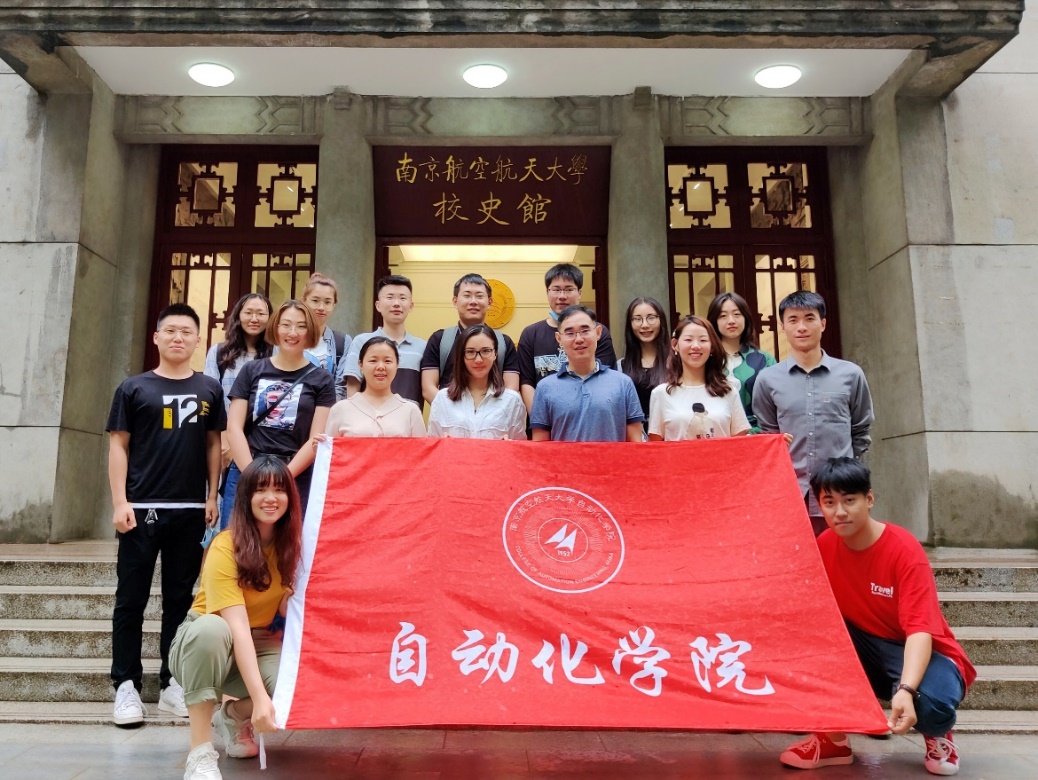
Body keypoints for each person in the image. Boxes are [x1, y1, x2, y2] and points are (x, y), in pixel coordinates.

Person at [779, 458, 973, 776]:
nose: (839, 512)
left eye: (849, 500)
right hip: (863, 647)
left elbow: (920, 631)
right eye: (829, 502)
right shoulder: (824, 545)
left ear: (869, 499)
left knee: (931, 702)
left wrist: (906, 689)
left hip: (919, 651)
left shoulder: (904, 550)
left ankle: (938, 735)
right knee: (806, 636)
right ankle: (832, 741)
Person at [106, 303, 225, 727]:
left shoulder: (210, 388)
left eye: (186, 332)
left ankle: (173, 682)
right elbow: (118, 445)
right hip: (141, 510)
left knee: (179, 600)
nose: (178, 337)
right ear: (156, 337)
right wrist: (120, 501)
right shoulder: (133, 388)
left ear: (198, 340)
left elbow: (214, 444)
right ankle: (126, 686)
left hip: (190, 510)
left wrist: (212, 496)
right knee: (131, 599)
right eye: (170, 330)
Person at [170, 456, 302, 780]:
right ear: (245, 497)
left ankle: (232, 717)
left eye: (279, 490)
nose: (271, 498)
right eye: (261, 490)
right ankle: (200, 752)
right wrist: (259, 698)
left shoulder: (292, 545)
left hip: (258, 639)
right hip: (203, 641)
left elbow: (282, 608)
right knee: (213, 629)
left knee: (300, 681)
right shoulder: (225, 546)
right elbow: (237, 627)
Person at [752, 291, 874, 536]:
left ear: (823, 323)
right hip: (790, 493)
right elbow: (769, 435)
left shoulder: (850, 374)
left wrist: (843, 469)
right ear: (782, 326)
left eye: (809, 318)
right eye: (793, 320)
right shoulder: (767, 379)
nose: (801, 327)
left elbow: (861, 429)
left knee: (841, 555)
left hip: (839, 494)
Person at [226, 300, 335, 514]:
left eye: (301, 326)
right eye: (286, 325)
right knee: (237, 533)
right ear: (275, 328)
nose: (292, 333)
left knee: (289, 535)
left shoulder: (322, 379)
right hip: (247, 467)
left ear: (311, 331)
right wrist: (253, 476)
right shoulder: (251, 370)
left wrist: (283, 478)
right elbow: (234, 428)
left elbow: (316, 439)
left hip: (295, 473)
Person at [204, 293, 274, 528]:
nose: (254, 318)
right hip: (225, 440)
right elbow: (211, 398)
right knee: (225, 507)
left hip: (261, 441)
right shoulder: (219, 352)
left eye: (261, 313)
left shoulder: (276, 354)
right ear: (238, 315)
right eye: (249, 312)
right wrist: (224, 437)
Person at [530, 305, 643, 442]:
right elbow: (540, 446)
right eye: (570, 333)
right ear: (559, 338)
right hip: (563, 458)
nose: (579, 339)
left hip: (611, 457)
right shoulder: (545, 387)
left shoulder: (623, 384)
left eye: (585, 331)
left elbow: (635, 444)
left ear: (598, 332)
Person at [518, 263, 617, 413]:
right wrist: (540, 419)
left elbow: (604, 378)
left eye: (569, 289)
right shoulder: (531, 334)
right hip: (545, 418)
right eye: (556, 290)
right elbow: (527, 382)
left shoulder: (596, 332)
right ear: (547, 292)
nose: (562, 296)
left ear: (580, 293)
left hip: (589, 416)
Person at [420, 273, 520, 405]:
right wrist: (453, 412)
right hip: (449, 415)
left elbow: (511, 389)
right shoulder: (439, 340)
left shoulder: (504, 343)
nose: (473, 301)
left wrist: (489, 413)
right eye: (467, 295)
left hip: (493, 416)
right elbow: (428, 388)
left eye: (479, 296)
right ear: (455, 301)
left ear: (489, 302)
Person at [648, 315, 750, 441]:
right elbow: (655, 446)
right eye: (688, 340)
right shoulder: (661, 394)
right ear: (675, 345)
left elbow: (740, 443)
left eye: (703, 340)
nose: (696, 346)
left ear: (712, 346)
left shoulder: (728, 391)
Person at [337, 274, 426, 409]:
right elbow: (353, 386)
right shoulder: (361, 342)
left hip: (408, 420)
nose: (396, 303)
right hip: (368, 418)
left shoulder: (423, 347)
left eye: (402, 298)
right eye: (390, 297)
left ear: (411, 305)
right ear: (378, 305)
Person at [428, 324, 527, 440]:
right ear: (462, 356)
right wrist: (442, 445)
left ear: (495, 354)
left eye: (486, 351)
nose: (478, 360)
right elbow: (432, 444)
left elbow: (519, 446)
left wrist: (509, 446)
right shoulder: (442, 399)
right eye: (470, 352)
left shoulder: (512, 400)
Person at [325, 336, 426, 438]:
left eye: (387, 361)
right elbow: (330, 447)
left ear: (397, 365)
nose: (381, 367)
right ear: (360, 364)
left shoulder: (411, 411)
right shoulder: (340, 410)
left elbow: (421, 448)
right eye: (373, 361)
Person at [706, 291, 775, 433]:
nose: (731, 320)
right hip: (713, 433)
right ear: (714, 321)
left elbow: (775, 403)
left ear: (746, 318)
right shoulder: (706, 359)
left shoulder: (764, 360)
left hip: (755, 434)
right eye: (723, 316)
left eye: (737, 314)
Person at [617, 296, 668, 427]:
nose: (645, 325)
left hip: (670, 435)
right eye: (637, 319)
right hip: (634, 436)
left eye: (651, 317)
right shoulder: (620, 366)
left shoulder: (676, 363)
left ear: (661, 320)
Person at [300, 272, 352, 397]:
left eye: (327, 302)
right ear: (304, 301)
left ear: (334, 305)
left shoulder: (343, 342)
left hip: (329, 406)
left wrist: (325, 407)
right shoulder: (288, 337)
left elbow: (341, 386)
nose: (321, 307)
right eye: (315, 301)